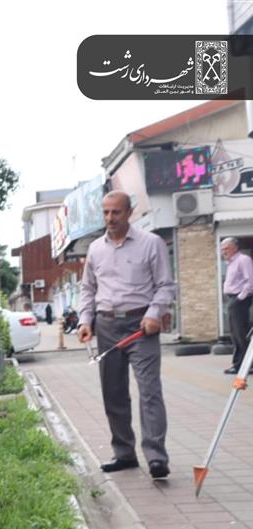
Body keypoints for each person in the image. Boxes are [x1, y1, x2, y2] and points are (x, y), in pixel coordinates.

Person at [77, 191, 176, 479]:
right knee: (114, 393)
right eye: (106, 212)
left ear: (129, 212)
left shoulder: (151, 243)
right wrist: (86, 321)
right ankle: (124, 453)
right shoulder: (95, 249)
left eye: (116, 212)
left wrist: (154, 314)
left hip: (141, 326)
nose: (110, 218)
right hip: (106, 327)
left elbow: (165, 285)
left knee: (149, 392)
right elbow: (88, 289)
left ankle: (156, 456)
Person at [221, 237, 253, 374]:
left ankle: (246, 365)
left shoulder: (243, 260)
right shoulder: (231, 263)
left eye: (226, 248)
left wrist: (240, 298)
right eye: (222, 249)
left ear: (234, 247)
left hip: (239, 299)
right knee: (235, 333)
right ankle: (239, 364)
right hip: (232, 299)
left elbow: (250, 281)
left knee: (241, 333)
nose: (223, 252)